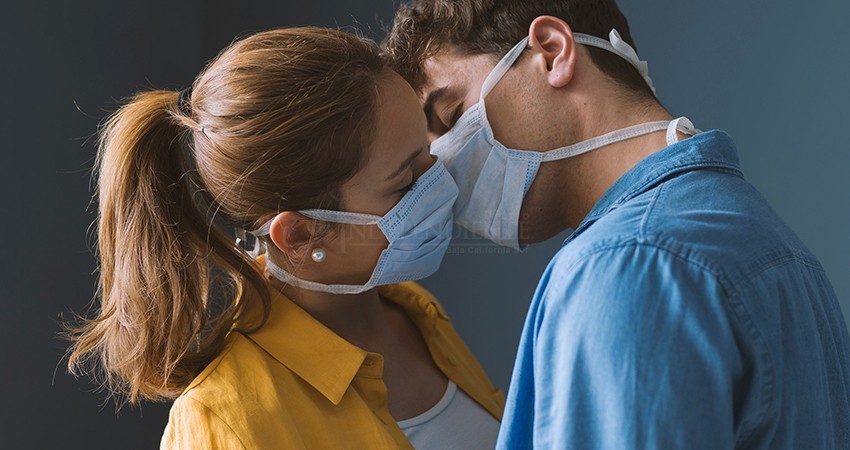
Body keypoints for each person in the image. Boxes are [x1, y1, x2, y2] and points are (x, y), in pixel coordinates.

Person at [383, 0, 850, 448]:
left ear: (551, 53)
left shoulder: (624, 265)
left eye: (451, 116)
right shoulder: (761, 237)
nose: (440, 168)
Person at [64, 27, 504, 449]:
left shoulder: (415, 313)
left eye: (427, 150)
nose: (440, 180)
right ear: (298, 234)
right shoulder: (225, 420)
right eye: (406, 179)